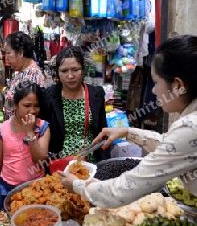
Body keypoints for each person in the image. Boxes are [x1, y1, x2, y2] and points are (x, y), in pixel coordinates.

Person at [60, 35, 197, 208]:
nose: (153, 91)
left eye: (156, 82)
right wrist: (127, 132)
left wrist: (77, 185)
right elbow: (169, 146)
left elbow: (125, 189)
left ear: (177, 85)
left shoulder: (190, 128)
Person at [40, 46, 110, 164]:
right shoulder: (48, 96)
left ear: (83, 70)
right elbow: (42, 132)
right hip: (59, 166)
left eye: (75, 70)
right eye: (64, 71)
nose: (70, 76)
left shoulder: (96, 94)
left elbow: (103, 133)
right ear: (57, 72)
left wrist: (105, 165)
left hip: (90, 164)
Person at [0, 81, 50, 210]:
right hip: (8, 189)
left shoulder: (43, 127)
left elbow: (40, 160)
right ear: (15, 105)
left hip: (36, 189)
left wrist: (30, 133)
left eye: (36, 106)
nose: (32, 111)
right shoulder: (2, 130)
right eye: (27, 105)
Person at [3, 31, 45, 120]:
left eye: (8, 53)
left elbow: (30, 113)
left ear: (21, 52)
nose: (6, 57)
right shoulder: (21, 72)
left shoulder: (33, 75)